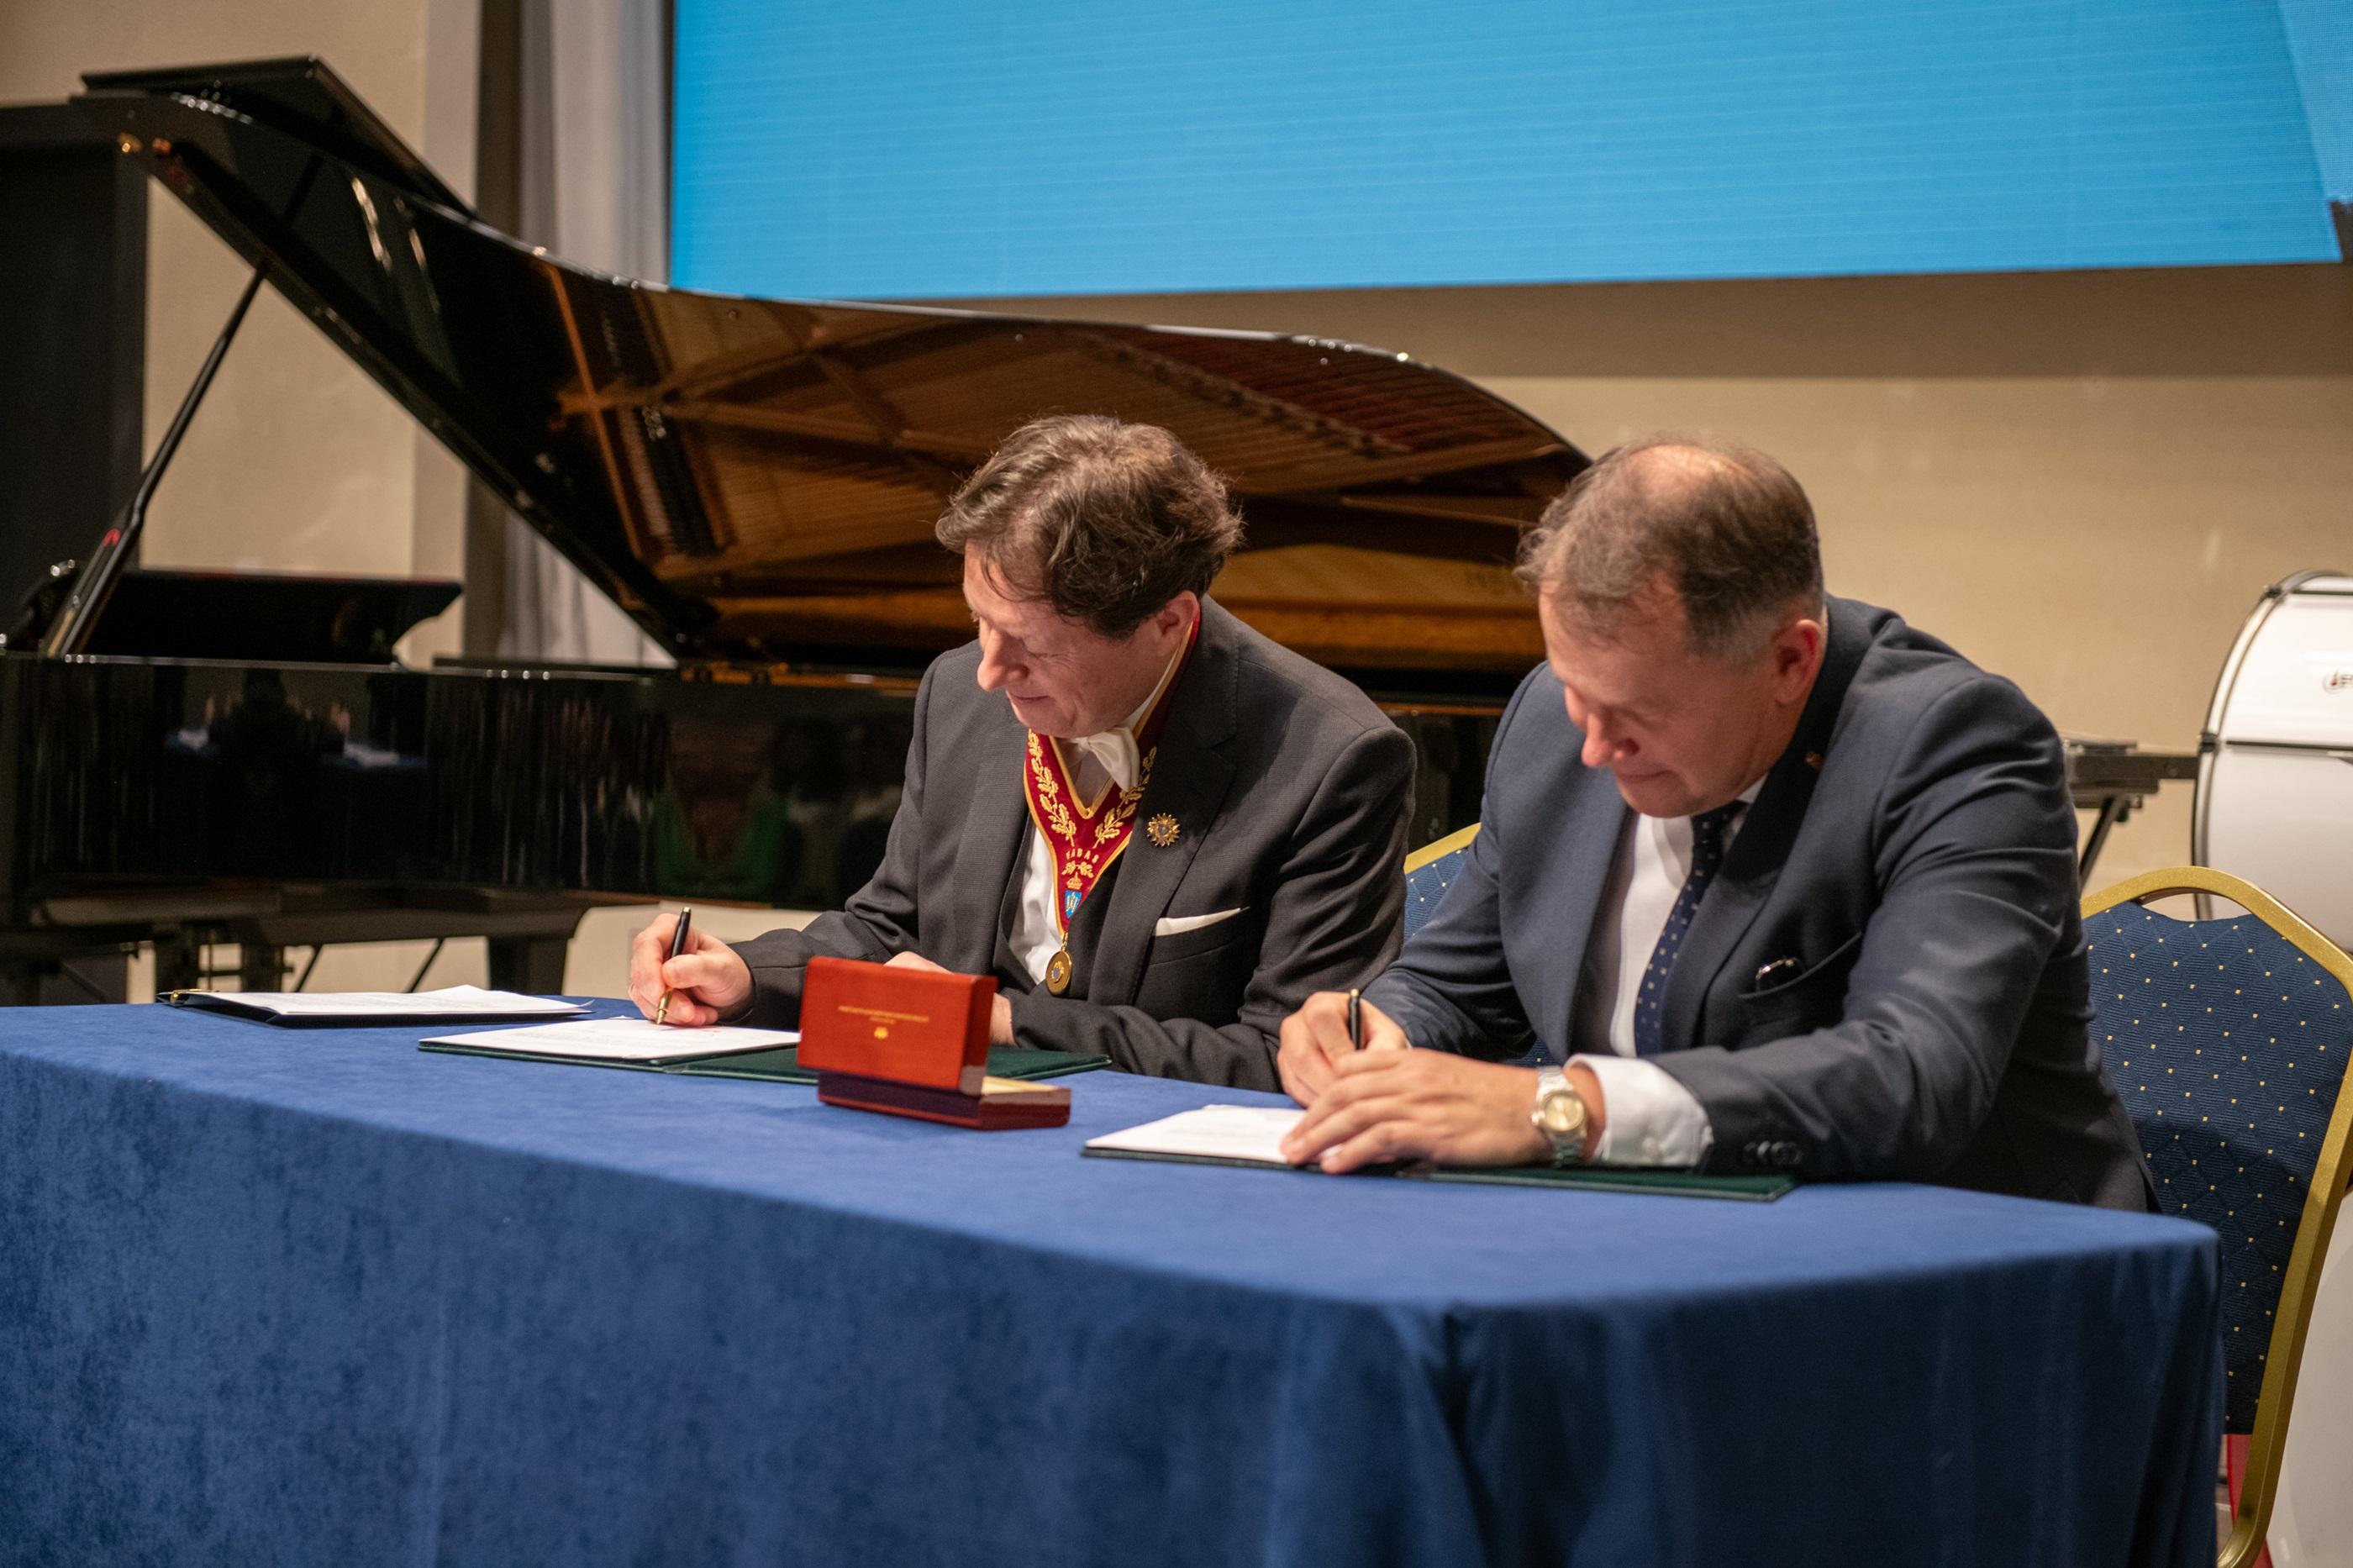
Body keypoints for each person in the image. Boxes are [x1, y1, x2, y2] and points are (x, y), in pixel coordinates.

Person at [1276, 438, 2149, 1207]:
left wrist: (1565, 1109)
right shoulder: (1555, 718)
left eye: (1640, 711)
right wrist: (1375, 1034)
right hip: (1661, 1230)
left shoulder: (1957, 748)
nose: (1594, 747)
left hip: (1974, 1262)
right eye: (1576, 690)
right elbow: (1462, 984)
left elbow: (1912, 1077)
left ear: (1790, 660)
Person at [630, 414, 1413, 1088]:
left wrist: (1001, 1023)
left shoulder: (1332, 760)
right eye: (979, 620)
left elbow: (1284, 1057)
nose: (989, 670)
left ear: (1168, 623)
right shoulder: (959, 693)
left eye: (1033, 644)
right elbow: (897, 929)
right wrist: (747, 977)